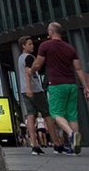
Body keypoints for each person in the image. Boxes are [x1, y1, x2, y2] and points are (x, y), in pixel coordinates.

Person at [33, 21, 85, 154]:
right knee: (72, 116)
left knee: (56, 114)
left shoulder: (45, 45)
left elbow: (38, 64)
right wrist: (86, 86)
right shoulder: (70, 48)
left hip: (57, 84)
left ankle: (71, 135)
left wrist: (31, 71)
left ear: (50, 32)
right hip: (72, 84)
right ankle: (74, 146)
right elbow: (78, 68)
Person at [15, 35, 52, 154]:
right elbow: (28, 73)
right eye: (29, 44)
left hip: (23, 90)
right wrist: (30, 88)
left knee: (30, 115)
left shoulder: (20, 58)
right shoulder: (28, 57)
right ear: (23, 46)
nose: (32, 46)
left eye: (32, 44)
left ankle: (34, 144)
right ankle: (57, 142)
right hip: (35, 90)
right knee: (47, 114)